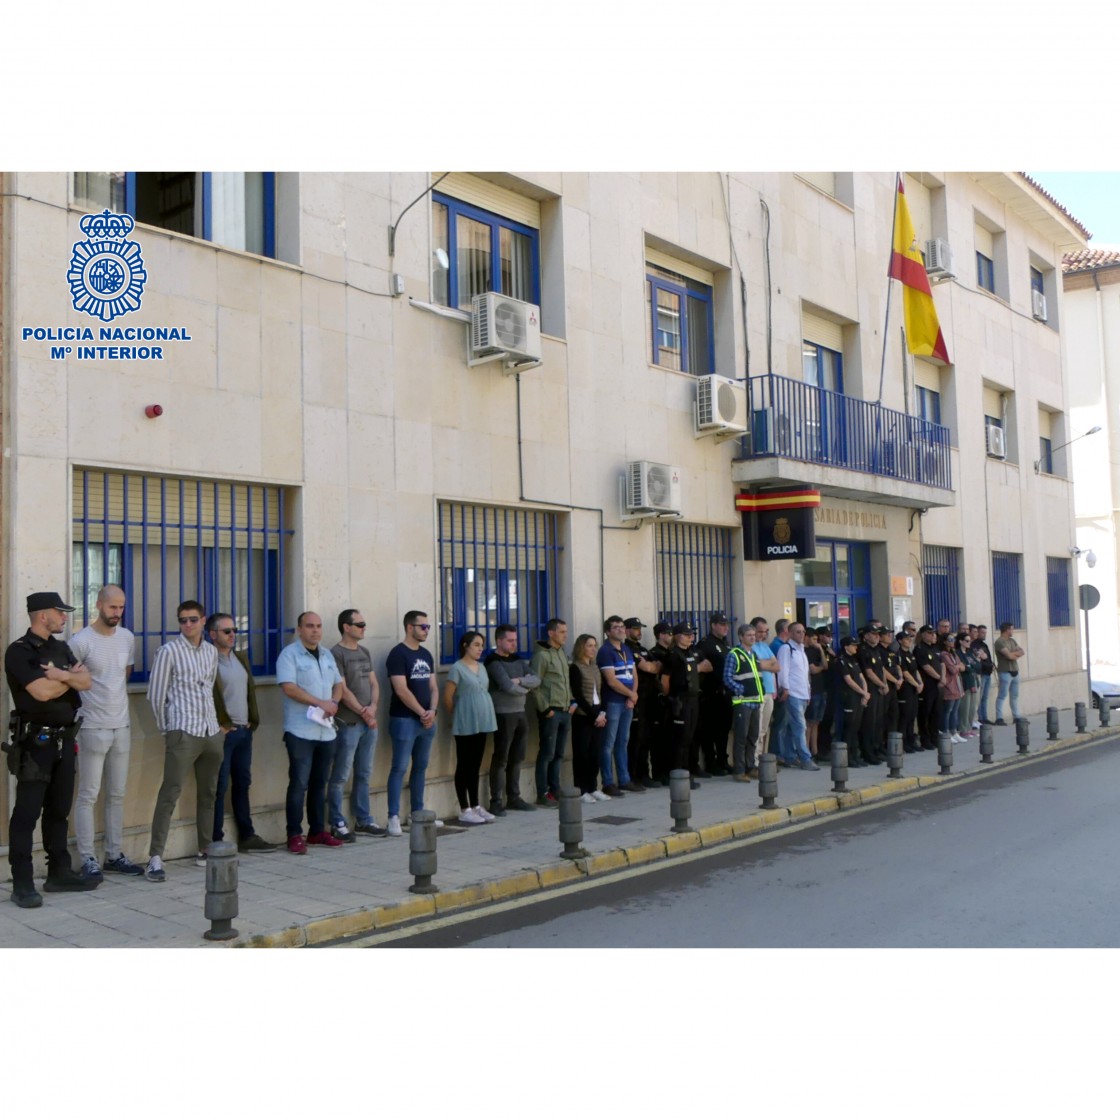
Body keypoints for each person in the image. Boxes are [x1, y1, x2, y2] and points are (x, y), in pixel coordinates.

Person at [5, 591, 96, 907]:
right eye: (60, 612)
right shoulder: (19, 652)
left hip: (65, 740)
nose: (65, 617)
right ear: (44, 615)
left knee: (59, 810)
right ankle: (23, 882)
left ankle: (59, 873)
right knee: (27, 813)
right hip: (36, 743)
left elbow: (87, 681)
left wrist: (64, 675)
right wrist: (70, 677)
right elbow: (41, 692)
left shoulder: (61, 648)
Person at [145, 599, 226, 882]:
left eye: (193, 619)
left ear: (204, 621)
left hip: (210, 732)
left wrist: (216, 727)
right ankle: (155, 857)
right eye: (182, 620)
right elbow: (156, 695)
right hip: (183, 731)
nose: (188, 624)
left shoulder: (211, 652)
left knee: (209, 793)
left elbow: (209, 688)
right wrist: (168, 730)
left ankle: (204, 848)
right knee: (170, 793)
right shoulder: (169, 652)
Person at [68, 584, 145, 880]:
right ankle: (88, 858)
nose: (117, 612)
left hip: (121, 726)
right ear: (99, 604)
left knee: (117, 793)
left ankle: (114, 854)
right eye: (112, 607)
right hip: (91, 727)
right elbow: (71, 681)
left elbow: (123, 674)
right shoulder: (81, 641)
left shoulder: (126, 638)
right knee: (88, 794)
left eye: (121, 607)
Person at [276, 612, 345, 854]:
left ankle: (317, 831)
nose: (315, 631)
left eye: (318, 626)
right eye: (309, 626)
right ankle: (294, 834)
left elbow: (339, 683)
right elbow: (289, 688)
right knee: (299, 785)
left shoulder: (326, 654)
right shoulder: (289, 655)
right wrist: (320, 702)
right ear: (299, 629)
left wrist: (334, 703)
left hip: (326, 732)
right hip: (300, 732)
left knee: (320, 784)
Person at [208, 612, 277, 853]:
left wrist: (252, 720)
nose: (232, 635)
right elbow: (208, 695)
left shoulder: (240, 658)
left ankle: (247, 835)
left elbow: (249, 690)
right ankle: (214, 837)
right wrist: (222, 724)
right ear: (213, 634)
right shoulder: (208, 659)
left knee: (243, 783)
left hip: (244, 731)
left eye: (234, 630)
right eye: (227, 631)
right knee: (219, 785)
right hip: (224, 733)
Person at [329, 608, 387, 841]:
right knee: (341, 775)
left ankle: (363, 820)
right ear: (346, 627)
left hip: (368, 722)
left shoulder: (364, 651)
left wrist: (373, 707)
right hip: (349, 723)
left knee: (364, 772)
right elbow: (341, 689)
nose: (364, 628)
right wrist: (364, 712)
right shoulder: (336, 653)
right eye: (360, 624)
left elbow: (374, 683)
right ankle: (337, 821)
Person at [386, 610, 440, 836]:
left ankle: (417, 812)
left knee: (421, 767)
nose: (427, 630)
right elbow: (400, 689)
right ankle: (393, 816)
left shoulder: (427, 654)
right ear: (410, 627)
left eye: (428, 627)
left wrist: (432, 711)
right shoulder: (398, 654)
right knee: (399, 767)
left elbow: (434, 687)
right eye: (423, 627)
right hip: (404, 719)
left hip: (426, 721)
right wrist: (421, 712)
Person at [444, 631, 498, 825]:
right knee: (464, 763)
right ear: (465, 646)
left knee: (475, 764)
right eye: (476, 644)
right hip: (465, 721)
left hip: (483, 720)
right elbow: (448, 697)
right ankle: (464, 808)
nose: (480, 648)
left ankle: (476, 805)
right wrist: (459, 716)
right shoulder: (457, 668)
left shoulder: (482, 667)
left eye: (482, 645)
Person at [486, 624, 541, 811]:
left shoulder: (517, 660)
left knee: (517, 758)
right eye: (510, 640)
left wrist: (520, 682)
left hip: (520, 713)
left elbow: (537, 679)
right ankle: (496, 800)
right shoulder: (493, 662)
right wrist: (526, 689)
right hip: (503, 714)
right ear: (499, 641)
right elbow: (506, 686)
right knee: (501, 758)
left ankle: (514, 797)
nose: (513, 644)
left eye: (515, 640)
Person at [597, 615, 644, 795]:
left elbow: (634, 674)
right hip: (613, 702)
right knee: (608, 743)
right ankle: (608, 782)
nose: (620, 629)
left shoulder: (626, 649)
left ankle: (624, 779)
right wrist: (631, 694)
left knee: (623, 742)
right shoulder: (605, 651)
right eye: (615, 627)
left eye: (622, 626)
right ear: (607, 632)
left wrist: (633, 696)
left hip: (627, 702)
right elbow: (611, 681)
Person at [530, 618, 575, 805]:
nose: (565, 635)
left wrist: (572, 701)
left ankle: (555, 788)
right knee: (547, 753)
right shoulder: (542, 656)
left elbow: (565, 681)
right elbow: (534, 685)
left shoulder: (561, 653)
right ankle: (543, 792)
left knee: (558, 754)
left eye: (566, 631)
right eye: (562, 632)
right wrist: (545, 708)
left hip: (565, 710)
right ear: (551, 633)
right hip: (551, 711)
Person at [659, 622, 708, 789]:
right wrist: (671, 697)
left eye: (692, 635)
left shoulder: (691, 653)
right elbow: (665, 680)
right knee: (680, 740)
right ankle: (678, 775)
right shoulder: (673, 655)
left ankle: (686, 773)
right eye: (687, 635)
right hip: (681, 700)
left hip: (693, 699)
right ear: (678, 636)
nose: (690, 638)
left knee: (689, 739)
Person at [623, 617, 664, 788]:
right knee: (636, 740)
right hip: (637, 699)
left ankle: (645, 774)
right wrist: (650, 665)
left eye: (640, 628)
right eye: (635, 628)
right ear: (626, 630)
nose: (639, 631)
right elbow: (648, 668)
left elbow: (658, 665)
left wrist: (651, 665)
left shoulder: (643, 649)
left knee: (646, 738)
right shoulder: (626, 648)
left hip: (650, 699)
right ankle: (635, 775)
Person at [569, 634, 609, 802]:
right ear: (581, 648)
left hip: (598, 713)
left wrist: (602, 713)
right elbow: (578, 695)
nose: (593, 649)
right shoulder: (575, 667)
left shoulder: (595, 666)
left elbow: (602, 691)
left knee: (595, 753)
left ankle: (593, 787)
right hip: (583, 716)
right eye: (589, 646)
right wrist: (595, 715)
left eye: (594, 645)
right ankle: (581, 789)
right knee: (582, 753)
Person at [724, 622, 765, 781]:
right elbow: (727, 678)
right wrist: (741, 690)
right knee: (741, 737)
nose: (753, 638)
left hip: (756, 701)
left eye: (754, 635)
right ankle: (739, 770)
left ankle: (751, 766)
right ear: (741, 637)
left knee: (753, 736)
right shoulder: (734, 654)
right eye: (749, 635)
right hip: (743, 702)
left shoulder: (753, 654)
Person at [776, 622, 819, 770]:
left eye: (803, 632)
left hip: (802, 694)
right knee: (800, 726)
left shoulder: (801, 651)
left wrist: (808, 692)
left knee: (790, 727)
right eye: (798, 632)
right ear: (790, 633)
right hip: (792, 693)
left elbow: (805, 674)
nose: (802, 635)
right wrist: (785, 689)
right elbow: (783, 671)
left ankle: (790, 756)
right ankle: (805, 758)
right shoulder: (786, 649)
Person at [695, 611, 733, 776]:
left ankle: (723, 761)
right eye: (722, 624)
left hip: (725, 693)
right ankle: (711, 762)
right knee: (709, 731)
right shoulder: (706, 644)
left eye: (726, 624)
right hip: (710, 694)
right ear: (713, 625)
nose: (725, 628)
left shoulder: (726, 644)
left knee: (723, 730)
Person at [749, 617, 782, 758]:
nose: (763, 634)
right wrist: (769, 664)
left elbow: (778, 666)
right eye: (760, 631)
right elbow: (758, 665)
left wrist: (766, 664)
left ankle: (762, 759)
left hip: (769, 692)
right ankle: (754, 761)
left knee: (764, 729)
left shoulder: (764, 646)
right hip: (758, 692)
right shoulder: (750, 647)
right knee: (756, 730)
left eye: (766, 631)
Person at [836, 632, 871, 765]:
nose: (856, 648)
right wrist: (863, 693)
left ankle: (855, 755)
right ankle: (847, 758)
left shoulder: (853, 659)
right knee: (849, 728)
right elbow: (848, 680)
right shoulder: (841, 660)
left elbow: (861, 677)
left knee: (856, 727)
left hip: (859, 697)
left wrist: (865, 694)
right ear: (846, 647)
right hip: (849, 697)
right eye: (853, 645)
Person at [915, 625, 944, 751]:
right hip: (928, 686)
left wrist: (943, 678)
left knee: (936, 712)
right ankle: (925, 739)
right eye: (929, 633)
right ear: (922, 634)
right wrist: (939, 678)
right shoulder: (920, 649)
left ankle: (934, 737)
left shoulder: (935, 648)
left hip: (938, 685)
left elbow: (941, 663)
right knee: (925, 713)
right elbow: (926, 667)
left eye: (933, 633)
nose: (933, 635)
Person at [895, 630, 923, 753]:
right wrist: (916, 684)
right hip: (906, 688)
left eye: (910, 638)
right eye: (906, 639)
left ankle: (911, 740)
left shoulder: (910, 654)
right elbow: (905, 673)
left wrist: (920, 683)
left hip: (914, 688)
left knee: (912, 715)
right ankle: (904, 742)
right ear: (900, 641)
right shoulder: (899, 654)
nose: (909, 641)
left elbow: (915, 670)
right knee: (905, 716)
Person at [993, 622, 1024, 725]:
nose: (1012, 631)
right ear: (1007, 630)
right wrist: (1014, 654)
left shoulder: (1012, 641)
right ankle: (999, 718)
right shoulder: (999, 642)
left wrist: (1013, 654)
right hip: (1005, 671)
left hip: (1015, 670)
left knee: (1015, 695)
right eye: (1011, 629)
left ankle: (1016, 716)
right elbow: (1009, 656)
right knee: (1002, 695)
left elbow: (1022, 652)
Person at [938, 633, 965, 743]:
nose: (952, 641)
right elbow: (952, 670)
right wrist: (957, 666)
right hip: (950, 685)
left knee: (955, 710)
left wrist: (957, 666)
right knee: (948, 710)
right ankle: (946, 731)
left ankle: (954, 731)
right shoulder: (944, 654)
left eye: (953, 639)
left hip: (958, 684)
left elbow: (962, 667)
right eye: (949, 639)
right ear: (944, 641)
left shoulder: (954, 653)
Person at [956, 631, 981, 739]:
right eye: (966, 641)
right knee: (965, 708)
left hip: (974, 681)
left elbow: (978, 666)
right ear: (960, 641)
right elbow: (961, 667)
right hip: (965, 682)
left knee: (972, 707)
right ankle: (963, 729)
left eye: (969, 641)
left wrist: (968, 667)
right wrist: (968, 667)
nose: (968, 643)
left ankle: (969, 728)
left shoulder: (969, 652)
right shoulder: (958, 653)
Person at [973, 624, 995, 724]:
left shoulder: (984, 644)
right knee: (980, 697)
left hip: (988, 673)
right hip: (982, 673)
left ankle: (984, 717)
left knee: (985, 697)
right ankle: (980, 718)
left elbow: (987, 657)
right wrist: (985, 658)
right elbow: (980, 658)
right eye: (982, 632)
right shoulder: (975, 645)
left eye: (985, 632)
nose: (984, 634)